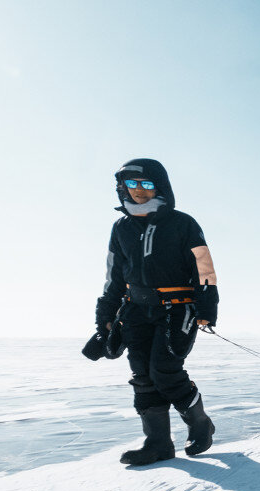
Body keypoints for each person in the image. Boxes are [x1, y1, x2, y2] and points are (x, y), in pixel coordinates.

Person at [90, 158, 219, 466]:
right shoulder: (120, 227)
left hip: (177, 309)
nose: (138, 191)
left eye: (146, 184)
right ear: (122, 188)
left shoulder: (183, 223)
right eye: (131, 185)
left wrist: (206, 308)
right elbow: (114, 276)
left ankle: (201, 425)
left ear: (159, 187)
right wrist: (106, 315)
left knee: (165, 370)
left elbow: (204, 268)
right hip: (134, 310)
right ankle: (158, 443)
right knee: (143, 376)